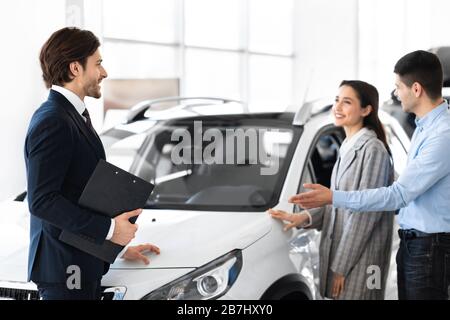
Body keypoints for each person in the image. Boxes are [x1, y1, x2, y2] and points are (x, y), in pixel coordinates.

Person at [292, 50, 450, 300]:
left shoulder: (442, 134)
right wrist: (308, 215)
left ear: (416, 89)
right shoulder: (424, 127)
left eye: (398, 86)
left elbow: (395, 197)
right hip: (416, 245)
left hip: (429, 247)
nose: (396, 93)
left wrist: (333, 197)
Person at [25, 27, 160, 300]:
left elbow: (78, 193)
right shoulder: (54, 120)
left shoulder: (72, 115)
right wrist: (111, 230)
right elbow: (42, 201)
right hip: (64, 268)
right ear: (76, 68)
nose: (104, 72)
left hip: (78, 262)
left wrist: (116, 247)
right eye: (97, 63)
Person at [270, 80, 394, 299]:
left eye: (346, 102)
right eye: (337, 100)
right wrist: (304, 217)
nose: (337, 107)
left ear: (366, 110)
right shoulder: (348, 145)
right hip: (344, 255)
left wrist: (341, 267)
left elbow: (365, 212)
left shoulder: (373, 149)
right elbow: (338, 204)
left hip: (361, 261)